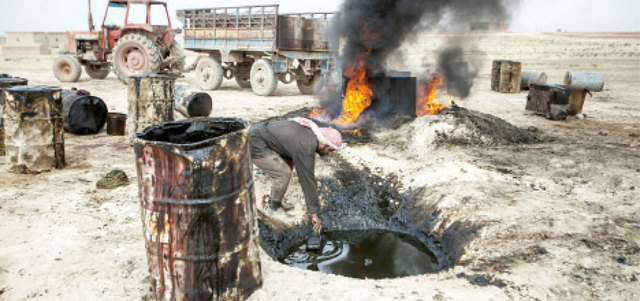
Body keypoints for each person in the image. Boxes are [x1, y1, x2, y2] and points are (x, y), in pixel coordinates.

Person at [249, 117, 344, 233]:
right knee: (283, 173)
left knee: (288, 165)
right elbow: (308, 180)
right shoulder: (306, 146)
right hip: (255, 143)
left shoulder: (310, 133)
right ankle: (273, 207)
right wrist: (314, 213)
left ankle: (276, 197)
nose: (329, 153)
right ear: (323, 143)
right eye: (330, 150)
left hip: (262, 133)